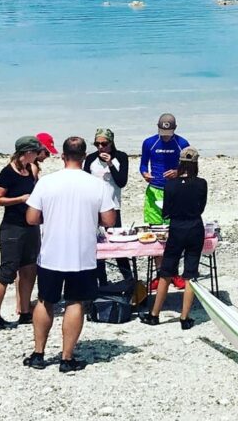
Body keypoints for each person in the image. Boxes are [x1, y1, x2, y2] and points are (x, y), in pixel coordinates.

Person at [24, 136, 118, 373]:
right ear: (85, 157)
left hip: (52, 253)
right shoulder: (97, 184)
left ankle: (38, 353)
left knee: (46, 300)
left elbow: (32, 218)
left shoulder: (46, 182)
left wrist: (51, 216)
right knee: (75, 302)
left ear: (62, 156)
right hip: (82, 254)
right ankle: (67, 358)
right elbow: (109, 220)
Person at [144, 146, 206, 329]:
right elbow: (201, 207)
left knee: (167, 271)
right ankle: (185, 317)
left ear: (180, 163)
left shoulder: (171, 185)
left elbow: (166, 213)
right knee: (190, 273)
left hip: (177, 228)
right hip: (195, 227)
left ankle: (154, 314)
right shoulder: (202, 183)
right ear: (195, 163)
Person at [0, 136, 45, 329]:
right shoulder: (7, 173)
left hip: (31, 225)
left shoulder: (32, 169)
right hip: (12, 226)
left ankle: (24, 311)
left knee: (30, 269)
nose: (38, 155)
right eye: (35, 151)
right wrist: (20, 199)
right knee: (7, 272)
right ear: (26, 152)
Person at [84, 128, 133, 285]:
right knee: (97, 247)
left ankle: (129, 281)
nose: (100, 147)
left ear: (111, 143)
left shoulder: (121, 157)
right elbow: (84, 181)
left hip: (113, 207)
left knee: (118, 246)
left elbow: (121, 182)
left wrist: (110, 164)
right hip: (93, 208)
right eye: (97, 144)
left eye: (104, 144)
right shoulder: (91, 159)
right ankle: (102, 283)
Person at [138, 114, 189, 226]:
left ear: (175, 128)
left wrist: (178, 172)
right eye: (163, 132)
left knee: (175, 224)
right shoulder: (149, 142)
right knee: (154, 225)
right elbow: (143, 164)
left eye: (168, 133)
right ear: (157, 127)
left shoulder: (182, 143)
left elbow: (189, 169)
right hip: (155, 189)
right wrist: (145, 173)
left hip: (175, 189)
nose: (165, 137)